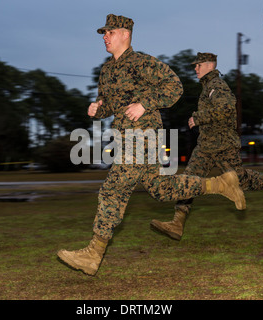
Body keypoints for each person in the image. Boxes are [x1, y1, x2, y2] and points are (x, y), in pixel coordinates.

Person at [57, 15, 246, 276]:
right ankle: (221, 184)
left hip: (145, 135)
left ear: (125, 33)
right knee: (161, 189)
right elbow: (108, 104)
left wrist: (145, 103)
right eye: (103, 32)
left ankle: (93, 254)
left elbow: (174, 86)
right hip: (126, 137)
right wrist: (97, 109)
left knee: (113, 189)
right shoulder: (107, 70)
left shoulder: (142, 62)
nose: (105, 36)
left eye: (109, 32)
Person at [150, 52, 263, 241]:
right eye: (195, 66)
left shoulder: (217, 86)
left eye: (199, 65)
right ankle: (177, 223)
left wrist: (198, 118)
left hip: (223, 146)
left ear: (210, 66)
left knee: (242, 181)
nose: (195, 69)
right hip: (205, 147)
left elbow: (226, 108)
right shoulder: (207, 88)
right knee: (189, 180)